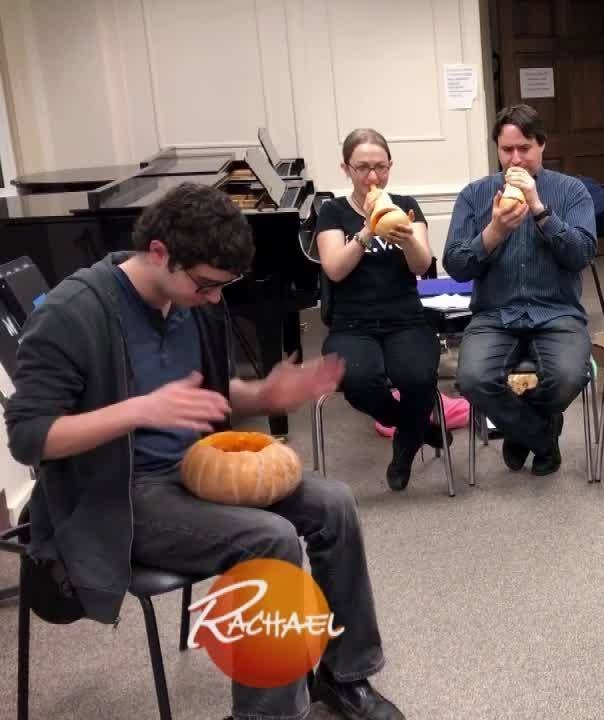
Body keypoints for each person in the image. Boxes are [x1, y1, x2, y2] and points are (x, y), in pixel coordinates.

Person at [4, 183, 403, 720]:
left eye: (223, 286)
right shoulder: (73, 313)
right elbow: (30, 437)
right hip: (116, 495)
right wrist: (140, 410)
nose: (216, 299)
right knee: (271, 539)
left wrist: (263, 395)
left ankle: (343, 673)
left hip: (195, 470)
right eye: (207, 285)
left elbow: (209, 394)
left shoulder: (193, 301)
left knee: (333, 503)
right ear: (160, 252)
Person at [444, 104, 597, 475]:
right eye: (506, 149)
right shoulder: (474, 195)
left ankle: (518, 434)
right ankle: (541, 436)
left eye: (524, 148)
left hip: (557, 310)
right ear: (496, 149)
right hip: (495, 312)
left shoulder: (571, 191)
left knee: (569, 376)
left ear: (541, 145)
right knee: (472, 379)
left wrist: (541, 211)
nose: (515, 159)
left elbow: (581, 255)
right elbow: (455, 265)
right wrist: (493, 233)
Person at [316, 127, 445, 492]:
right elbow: (335, 269)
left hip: (405, 318)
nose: (372, 177)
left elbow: (421, 267)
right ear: (346, 169)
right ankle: (420, 428)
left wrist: (406, 240)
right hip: (351, 324)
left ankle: (404, 448)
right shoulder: (333, 212)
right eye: (362, 168)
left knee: (419, 376)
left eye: (380, 167)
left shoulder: (406, 205)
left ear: (390, 166)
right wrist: (366, 232)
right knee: (356, 379)